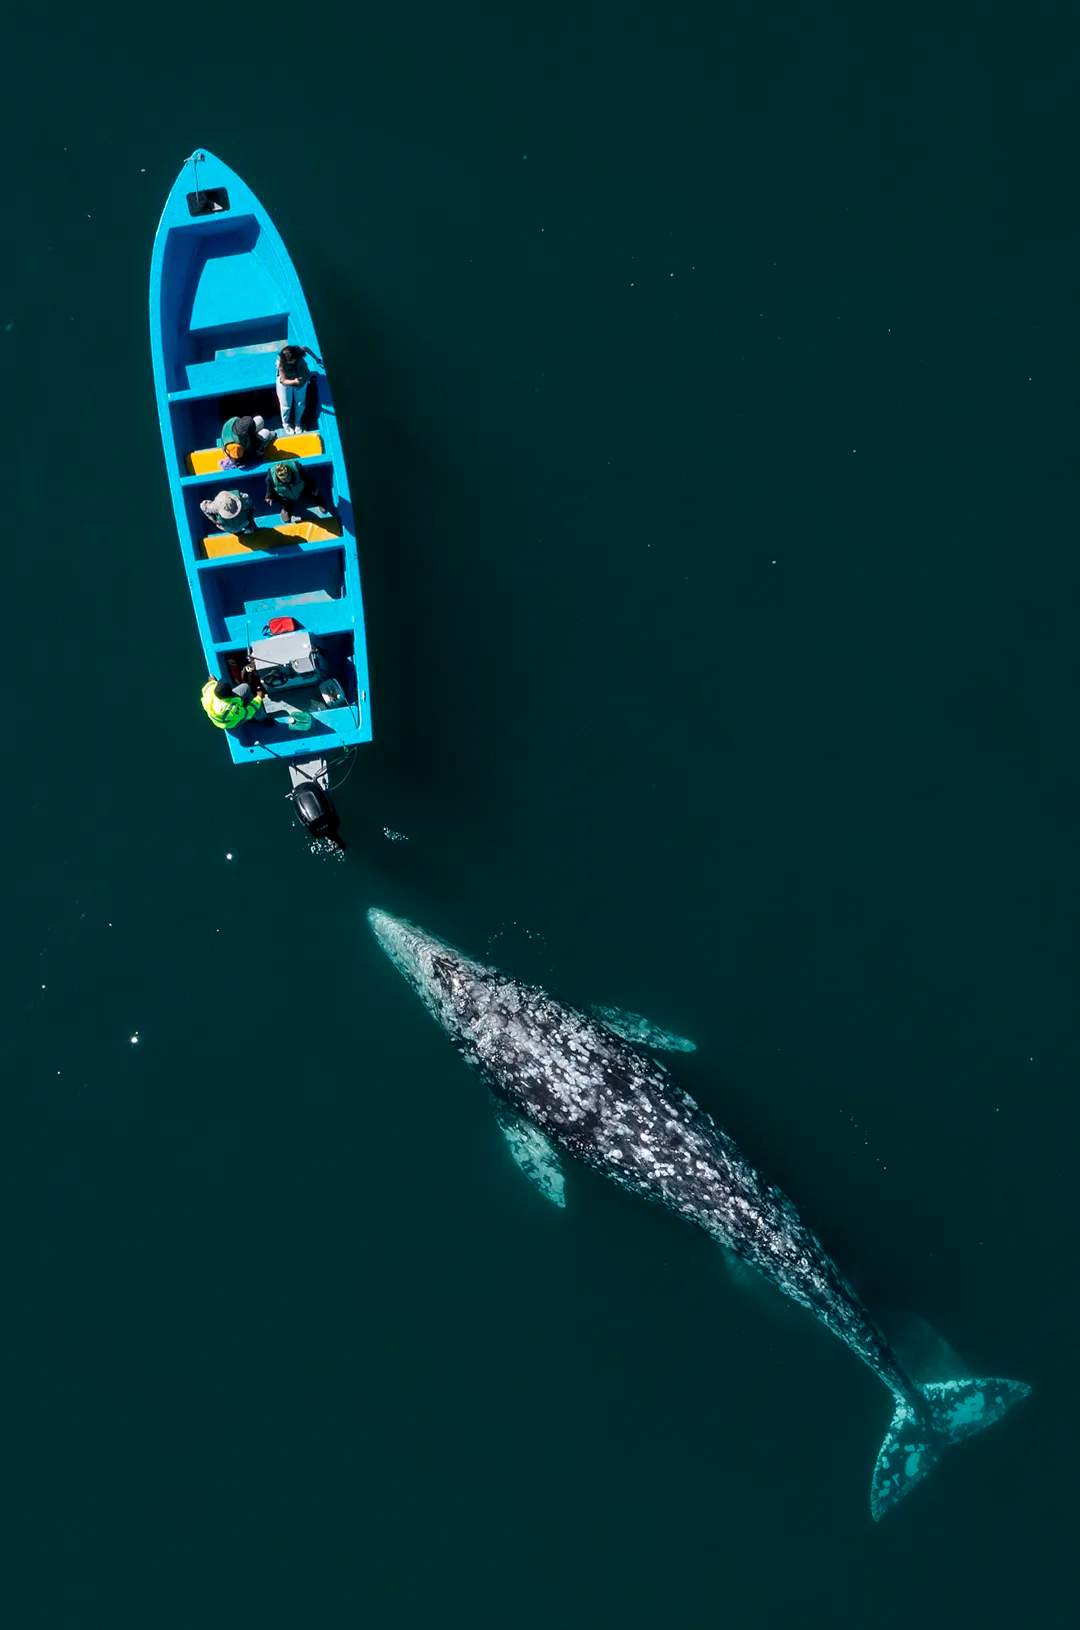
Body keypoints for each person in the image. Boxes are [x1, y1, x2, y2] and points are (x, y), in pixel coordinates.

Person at [264, 458, 332, 523]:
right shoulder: (270, 478)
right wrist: (268, 496)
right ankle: (286, 509)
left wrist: (314, 488)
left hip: (301, 489)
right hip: (286, 494)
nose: (287, 480)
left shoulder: (297, 468)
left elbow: (309, 479)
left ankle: (319, 500)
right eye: (284, 479)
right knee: (279, 498)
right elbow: (269, 488)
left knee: (313, 491)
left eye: (288, 477)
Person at [276, 344, 320, 435]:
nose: (291, 361)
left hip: (301, 382)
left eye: (292, 360)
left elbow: (306, 348)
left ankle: (297, 422)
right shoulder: (281, 363)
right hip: (286, 384)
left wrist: (316, 359)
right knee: (286, 406)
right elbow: (283, 380)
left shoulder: (298, 352)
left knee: (300, 404)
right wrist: (294, 382)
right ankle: (286, 423)